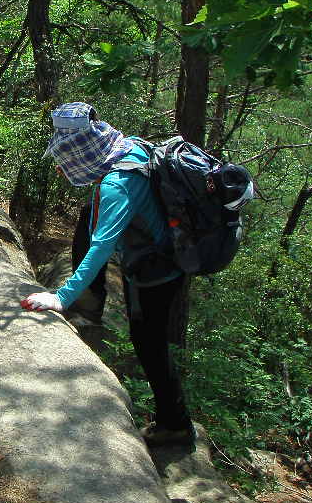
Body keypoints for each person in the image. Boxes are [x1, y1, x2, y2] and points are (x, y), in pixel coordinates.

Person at [21, 102, 195, 448]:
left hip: (157, 272)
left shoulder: (117, 185)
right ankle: (92, 307)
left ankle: (175, 424)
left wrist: (61, 297)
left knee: (150, 344)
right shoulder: (125, 147)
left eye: (66, 155)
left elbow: (101, 246)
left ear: (83, 149)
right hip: (161, 258)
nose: (63, 164)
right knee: (89, 212)